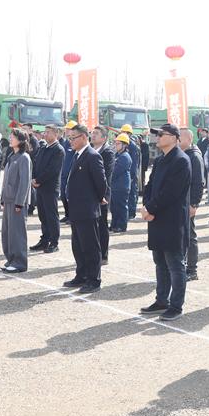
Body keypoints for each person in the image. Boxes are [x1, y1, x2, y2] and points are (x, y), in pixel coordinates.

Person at [139, 124, 192, 322]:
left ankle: (176, 305)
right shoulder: (161, 160)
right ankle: (161, 300)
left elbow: (171, 192)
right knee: (160, 262)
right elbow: (150, 185)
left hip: (172, 220)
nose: (158, 137)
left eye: (162, 134)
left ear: (175, 138)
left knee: (175, 264)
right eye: (158, 135)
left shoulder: (181, 160)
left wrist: (151, 209)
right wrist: (146, 206)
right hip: (157, 218)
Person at [61, 124, 108, 291]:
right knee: (78, 246)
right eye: (69, 138)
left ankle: (94, 280)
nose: (70, 141)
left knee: (90, 247)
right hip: (76, 208)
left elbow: (101, 183)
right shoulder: (77, 155)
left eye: (73, 138)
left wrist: (96, 199)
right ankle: (81, 276)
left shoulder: (92, 156)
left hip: (87, 209)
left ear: (83, 137)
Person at [0, 130, 33, 272]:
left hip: (17, 202)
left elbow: (24, 182)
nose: (10, 139)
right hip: (8, 200)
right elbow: (6, 179)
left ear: (20, 140)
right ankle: (11, 259)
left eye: (13, 137)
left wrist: (20, 202)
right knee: (7, 232)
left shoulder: (24, 158)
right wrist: (3, 198)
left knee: (17, 233)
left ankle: (20, 262)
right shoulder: (11, 156)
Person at [31, 127, 65, 254]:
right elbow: (36, 163)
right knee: (42, 215)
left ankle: (54, 242)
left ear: (56, 134)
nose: (45, 134)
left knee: (51, 215)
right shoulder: (43, 147)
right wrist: (34, 178)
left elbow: (52, 170)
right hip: (39, 186)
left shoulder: (58, 150)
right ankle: (45, 239)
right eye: (44, 132)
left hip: (50, 187)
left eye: (48, 132)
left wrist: (38, 180)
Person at [180, 129, 205, 282]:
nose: (177, 140)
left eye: (180, 137)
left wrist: (194, 203)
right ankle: (182, 266)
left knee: (190, 236)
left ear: (189, 139)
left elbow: (199, 182)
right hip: (181, 203)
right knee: (182, 235)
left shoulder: (194, 156)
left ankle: (192, 269)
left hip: (189, 203)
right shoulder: (183, 154)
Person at [90, 127, 115, 264]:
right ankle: (94, 253)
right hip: (89, 194)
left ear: (104, 138)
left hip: (102, 194)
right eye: (92, 133)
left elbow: (105, 174)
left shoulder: (107, 152)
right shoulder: (90, 150)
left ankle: (103, 255)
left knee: (102, 225)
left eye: (96, 134)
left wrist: (101, 194)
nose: (93, 135)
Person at [109, 133, 133, 234]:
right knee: (114, 207)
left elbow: (115, 172)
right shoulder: (118, 155)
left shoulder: (125, 157)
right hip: (116, 186)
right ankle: (114, 224)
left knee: (121, 207)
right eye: (116, 143)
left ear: (124, 145)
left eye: (118, 144)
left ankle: (121, 225)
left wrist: (108, 178)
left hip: (121, 186)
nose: (116, 145)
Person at [59, 121, 77, 224]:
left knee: (70, 196)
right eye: (66, 129)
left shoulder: (75, 142)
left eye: (68, 129)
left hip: (71, 174)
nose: (66, 131)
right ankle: (67, 214)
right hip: (63, 174)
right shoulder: (65, 142)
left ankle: (72, 216)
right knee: (63, 195)